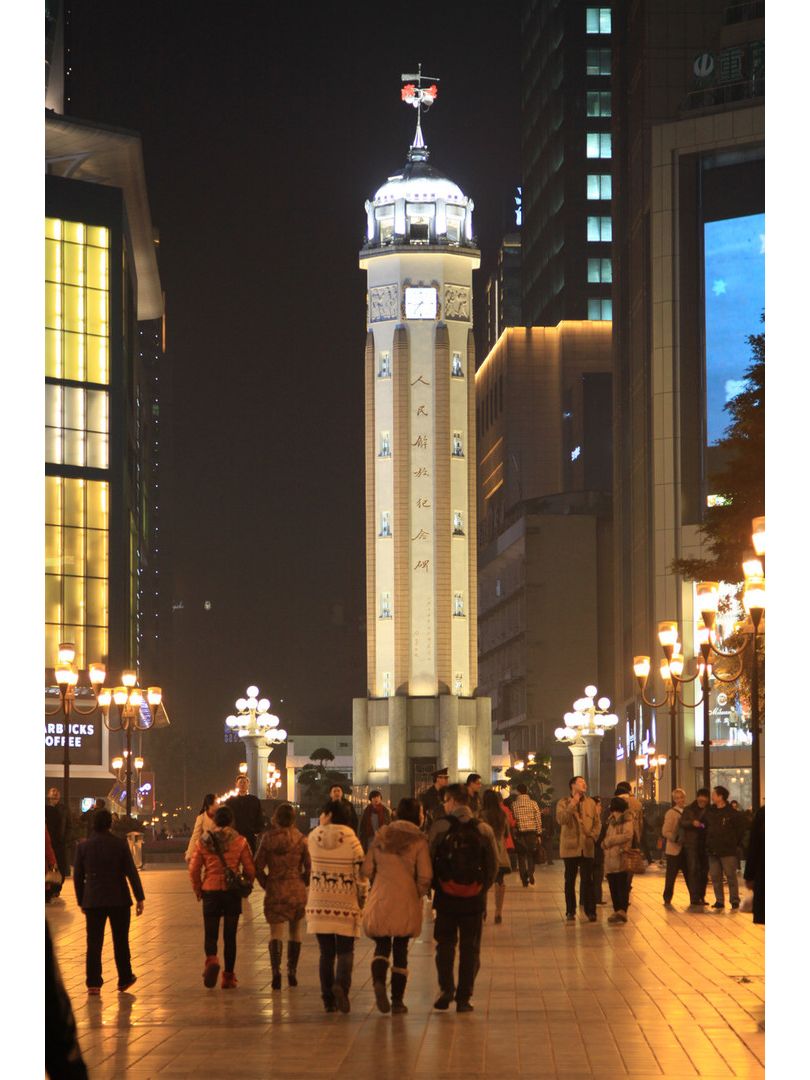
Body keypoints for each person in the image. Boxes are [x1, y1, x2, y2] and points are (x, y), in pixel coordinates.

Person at [428, 783, 498, 1012]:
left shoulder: (440, 827)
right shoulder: (483, 829)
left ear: (452, 800)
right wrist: (480, 888)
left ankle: (446, 988)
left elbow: (429, 861)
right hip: (474, 899)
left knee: (445, 945)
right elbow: (493, 866)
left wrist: (436, 886)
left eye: (445, 801)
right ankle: (464, 997)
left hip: (446, 897)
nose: (444, 805)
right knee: (470, 948)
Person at [362, 797, 432, 1014]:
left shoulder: (381, 836)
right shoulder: (419, 841)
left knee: (382, 946)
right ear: (416, 816)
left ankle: (378, 982)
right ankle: (398, 1001)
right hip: (406, 899)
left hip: (381, 896)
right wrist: (416, 893)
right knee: (401, 950)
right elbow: (425, 875)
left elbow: (366, 869)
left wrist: (376, 882)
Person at [73, 809, 145, 994]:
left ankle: (93, 982)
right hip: (119, 898)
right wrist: (139, 897)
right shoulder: (119, 845)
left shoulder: (83, 847)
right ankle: (124, 977)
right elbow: (131, 871)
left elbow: (78, 877)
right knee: (121, 940)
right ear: (110, 824)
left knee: (94, 943)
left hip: (93, 901)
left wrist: (82, 900)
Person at [306, 798, 367, 1013]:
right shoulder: (352, 839)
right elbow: (362, 872)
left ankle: (328, 1000)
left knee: (326, 953)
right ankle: (341, 986)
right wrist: (363, 897)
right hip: (346, 903)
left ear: (329, 814)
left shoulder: (313, 837)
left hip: (319, 903)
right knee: (345, 952)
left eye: (323, 813)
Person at [189, 805, 256, 989]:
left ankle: (211, 960)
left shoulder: (203, 841)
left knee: (210, 933)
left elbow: (194, 868)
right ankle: (228, 977)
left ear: (215, 820)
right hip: (232, 892)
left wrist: (197, 888)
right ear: (231, 821)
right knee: (230, 936)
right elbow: (250, 868)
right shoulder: (240, 841)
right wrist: (247, 885)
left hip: (210, 890)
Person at [254, 803, 310, 989]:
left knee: (275, 932)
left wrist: (266, 882)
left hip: (275, 888)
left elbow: (257, 866)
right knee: (295, 931)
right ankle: (292, 970)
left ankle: (276, 971)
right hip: (296, 888)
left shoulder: (268, 839)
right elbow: (309, 867)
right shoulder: (301, 839)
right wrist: (303, 882)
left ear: (276, 818)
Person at [556, 775, 601, 922]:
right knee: (569, 880)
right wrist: (573, 803)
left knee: (588, 880)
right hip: (570, 847)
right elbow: (562, 819)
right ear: (572, 785)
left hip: (586, 846)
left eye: (585, 782)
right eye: (581, 782)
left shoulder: (590, 803)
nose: (585, 784)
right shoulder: (563, 802)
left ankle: (591, 911)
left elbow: (597, 823)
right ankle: (570, 910)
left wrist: (593, 836)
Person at [704, 785, 746, 910]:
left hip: (728, 850)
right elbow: (705, 826)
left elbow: (741, 829)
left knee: (730, 875)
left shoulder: (732, 813)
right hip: (712, 849)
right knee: (715, 876)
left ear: (720, 797)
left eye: (714, 794)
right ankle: (719, 900)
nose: (712, 796)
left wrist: (734, 842)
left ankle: (734, 900)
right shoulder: (710, 812)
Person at [480, 789, 512, 924]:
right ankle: (498, 912)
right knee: (500, 881)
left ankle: (483, 910)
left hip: (485, 852)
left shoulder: (481, 815)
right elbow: (507, 833)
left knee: (484, 883)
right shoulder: (502, 814)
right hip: (500, 852)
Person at [602, 797, 635, 923]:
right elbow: (607, 836)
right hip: (610, 858)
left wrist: (610, 841)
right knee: (613, 886)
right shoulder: (611, 821)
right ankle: (617, 911)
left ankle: (622, 911)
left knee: (621, 885)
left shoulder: (627, 820)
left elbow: (628, 835)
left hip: (621, 857)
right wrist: (604, 844)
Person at [681, 788, 711, 908]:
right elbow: (683, 822)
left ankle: (701, 896)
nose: (703, 800)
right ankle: (694, 897)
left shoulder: (710, 810)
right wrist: (692, 823)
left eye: (705, 797)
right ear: (697, 797)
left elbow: (710, 825)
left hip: (705, 844)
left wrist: (703, 825)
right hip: (692, 844)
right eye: (701, 797)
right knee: (693, 870)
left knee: (704, 871)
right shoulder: (689, 809)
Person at [511, 783, 543, 886]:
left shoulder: (514, 804)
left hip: (520, 833)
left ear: (518, 792)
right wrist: (539, 834)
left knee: (521, 856)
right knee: (531, 855)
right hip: (532, 833)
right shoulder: (533, 803)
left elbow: (513, 820)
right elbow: (538, 819)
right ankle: (530, 873)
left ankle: (524, 879)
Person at [662, 788, 689, 906]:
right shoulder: (671, 813)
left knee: (690, 875)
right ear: (674, 800)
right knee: (671, 875)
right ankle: (667, 897)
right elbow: (665, 831)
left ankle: (695, 897)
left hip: (687, 849)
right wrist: (675, 838)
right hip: (674, 849)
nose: (680, 800)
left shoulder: (689, 811)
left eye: (681, 797)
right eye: (677, 798)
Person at [226, 775, 266, 854]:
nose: (243, 784)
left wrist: (257, 830)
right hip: (235, 834)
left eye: (245, 782)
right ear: (236, 784)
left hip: (250, 834)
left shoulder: (254, 800)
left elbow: (259, 816)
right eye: (240, 782)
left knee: (251, 856)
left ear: (248, 784)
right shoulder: (230, 801)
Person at [46, 787, 71, 898]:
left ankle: (57, 888)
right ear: (48, 796)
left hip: (59, 842)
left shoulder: (64, 809)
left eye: (57, 792)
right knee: (49, 865)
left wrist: (65, 839)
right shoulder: (45, 809)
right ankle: (49, 889)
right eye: (53, 792)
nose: (55, 794)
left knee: (60, 865)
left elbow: (69, 825)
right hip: (47, 842)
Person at [743, 804, 764, 925]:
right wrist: (750, 875)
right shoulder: (762, 814)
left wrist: (749, 875)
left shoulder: (763, 814)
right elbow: (754, 846)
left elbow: (754, 846)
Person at [185, 794, 218, 863]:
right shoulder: (201, 818)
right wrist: (189, 853)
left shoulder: (221, 815)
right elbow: (195, 836)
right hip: (208, 851)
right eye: (216, 802)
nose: (218, 804)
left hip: (221, 850)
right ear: (210, 805)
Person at [591, 797, 606, 905]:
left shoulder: (600, 820)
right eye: (599, 805)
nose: (600, 808)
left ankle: (597, 898)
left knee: (598, 877)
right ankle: (595, 899)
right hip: (594, 852)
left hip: (598, 853)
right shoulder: (592, 821)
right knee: (595, 876)